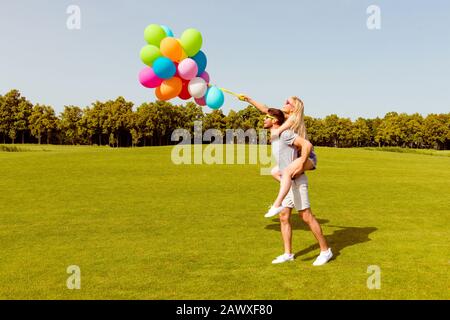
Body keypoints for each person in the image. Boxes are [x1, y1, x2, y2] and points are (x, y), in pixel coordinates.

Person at [263, 108, 332, 266]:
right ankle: (288, 254)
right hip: (288, 181)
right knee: (284, 217)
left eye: (266, 118)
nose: (263, 120)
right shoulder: (275, 136)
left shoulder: (285, 134)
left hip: (298, 180)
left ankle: (325, 251)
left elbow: (307, 144)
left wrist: (301, 162)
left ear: (274, 120)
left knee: (306, 216)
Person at [239, 95, 317, 217]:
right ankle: (288, 187)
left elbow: (284, 130)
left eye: (287, 102)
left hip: (308, 157)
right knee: (275, 172)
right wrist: (249, 100)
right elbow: (266, 110)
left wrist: (277, 132)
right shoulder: (285, 116)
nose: (284, 103)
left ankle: (277, 204)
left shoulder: (294, 118)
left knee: (286, 172)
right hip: (296, 157)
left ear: (293, 108)